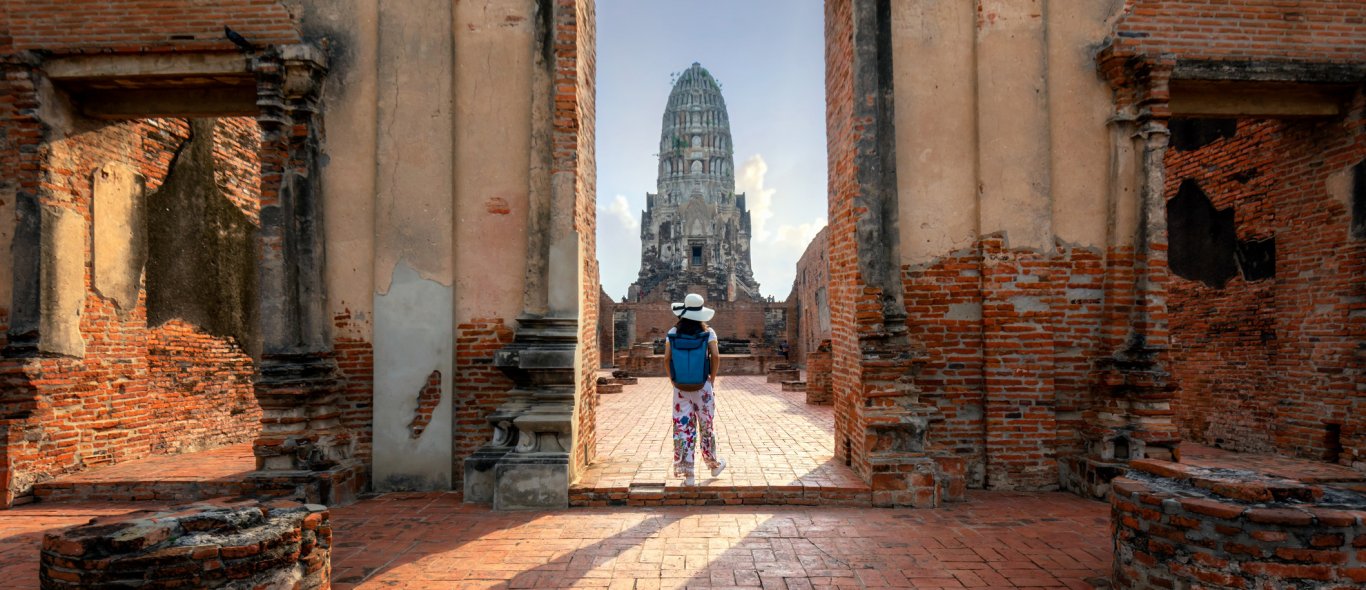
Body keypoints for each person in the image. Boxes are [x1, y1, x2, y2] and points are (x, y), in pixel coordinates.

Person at [665, 293, 727, 486]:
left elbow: (666, 359)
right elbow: (715, 356)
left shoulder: (672, 332)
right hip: (703, 386)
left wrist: (673, 380)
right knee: (706, 427)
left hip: (681, 387)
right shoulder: (709, 332)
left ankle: (688, 475)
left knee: (684, 428)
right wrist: (712, 378)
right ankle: (713, 465)